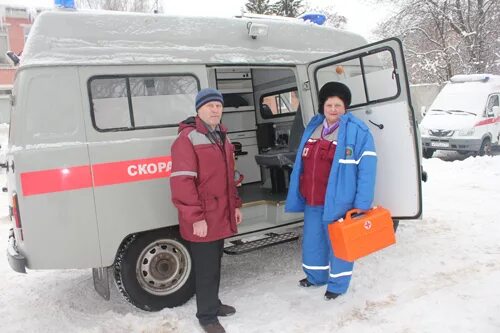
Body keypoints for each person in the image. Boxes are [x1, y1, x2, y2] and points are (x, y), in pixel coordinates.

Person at [285, 82, 377, 300]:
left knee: (340, 243)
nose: (333, 109)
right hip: (313, 198)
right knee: (313, 240)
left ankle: (337, 285)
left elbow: (367, 170)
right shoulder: (314, 127)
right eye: (329, 104)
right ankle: (316, 277)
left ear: (345, 107)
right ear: (322, 106)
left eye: (338, 104)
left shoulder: (358, 131)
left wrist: (362, 203)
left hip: (339, 200)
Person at [170, 88, 243, 333]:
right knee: (205, 268)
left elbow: (228, 177)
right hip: (203, 217)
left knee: (215, 263)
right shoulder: (187, 138)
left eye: (218, 106)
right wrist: (195, 218)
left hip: (220, 212)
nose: (215, 110)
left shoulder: (222, 135)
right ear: (198, 109)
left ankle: (213, 303)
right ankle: (207, 316)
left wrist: (236, 206)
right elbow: (182, 182)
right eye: (210, 105)